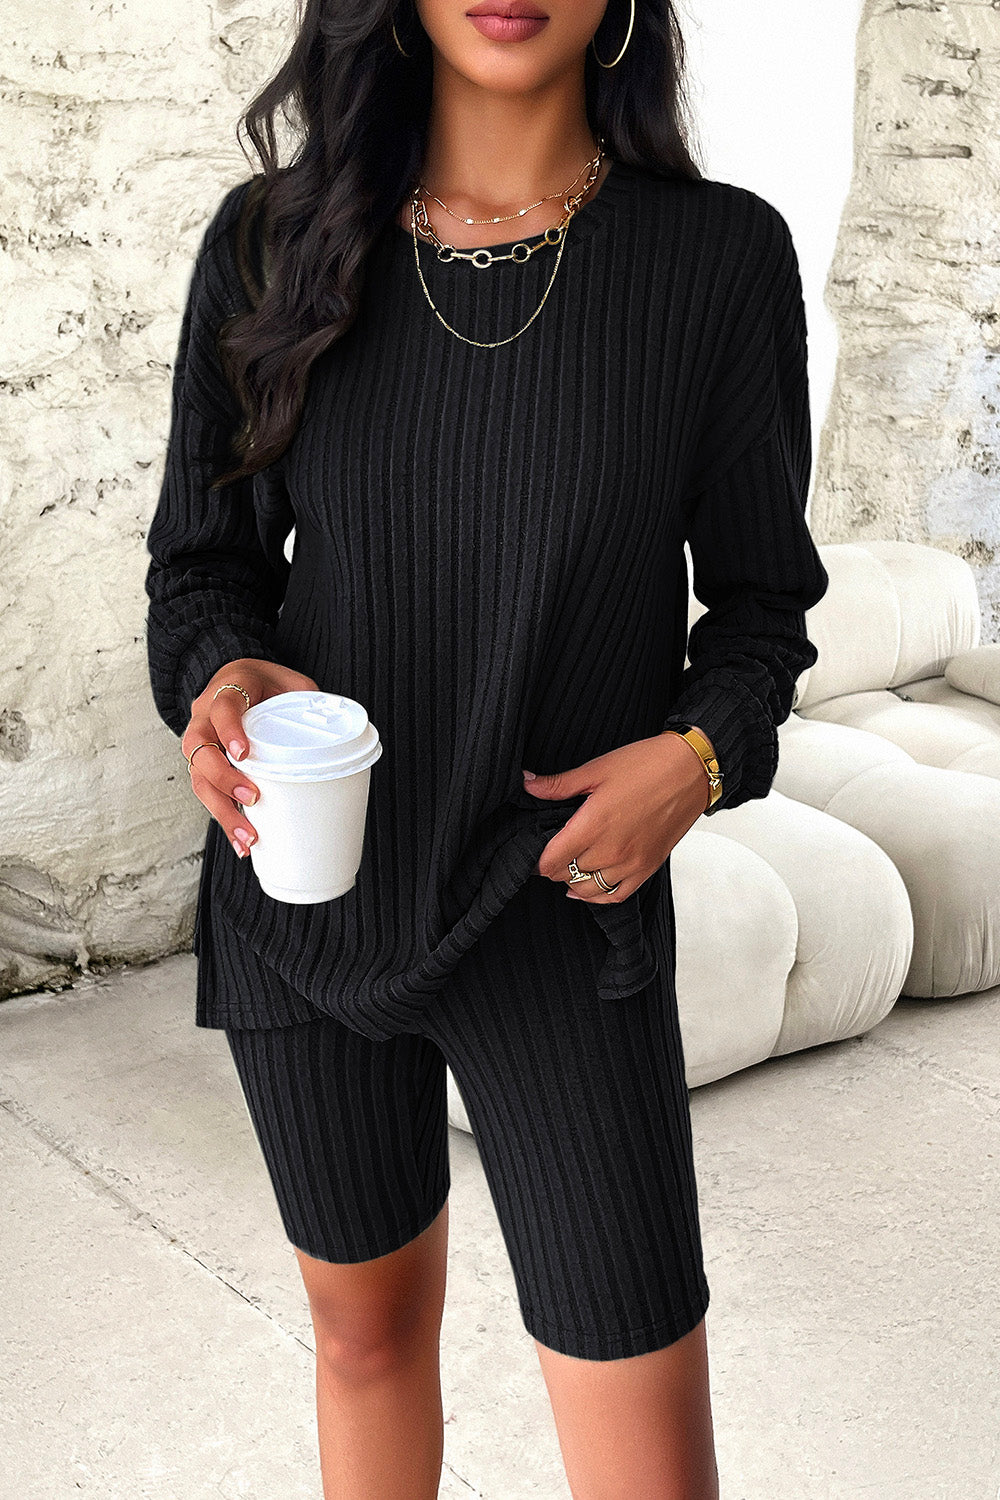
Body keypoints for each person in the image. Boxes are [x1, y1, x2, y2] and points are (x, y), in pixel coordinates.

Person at [144, 1, 830, 1494]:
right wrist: (219, 677)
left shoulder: (716, 258)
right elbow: (202, 569)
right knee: (362, 1344)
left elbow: (762, 611)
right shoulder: (269, 243)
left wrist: (699, 757)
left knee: (644, 1447)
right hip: (303, 893)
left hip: (560, 909)